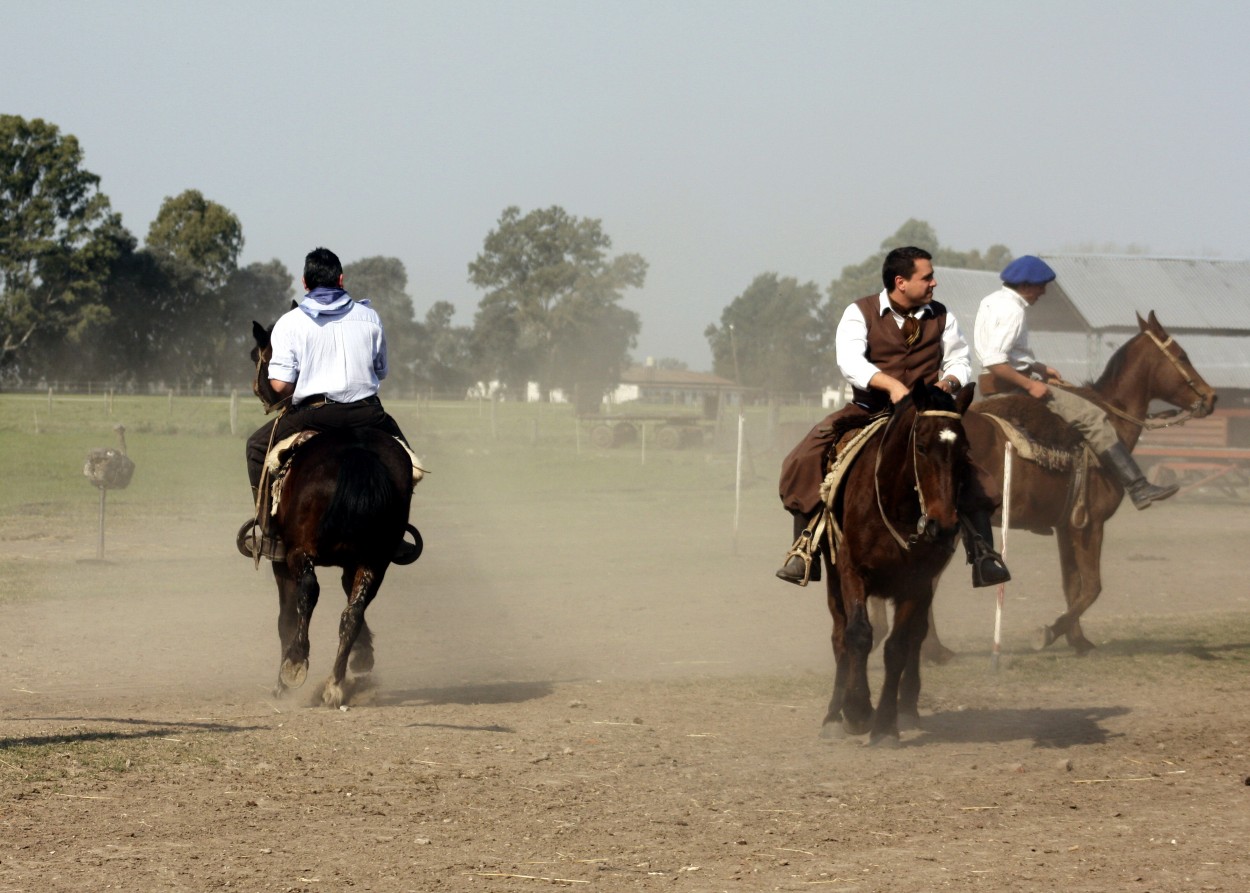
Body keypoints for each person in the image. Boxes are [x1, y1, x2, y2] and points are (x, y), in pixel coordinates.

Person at [777, 246, 1010, 588]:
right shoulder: (860, 312)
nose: (934, 283)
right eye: (927, 277)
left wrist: (946, 384)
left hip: (926, 415)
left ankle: (983, 552)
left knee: (964, 467)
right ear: (901, 282)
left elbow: (960, 359)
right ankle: (805, 548)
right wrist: (892, 387)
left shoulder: (942, 316)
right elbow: (851, 362)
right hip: (869, 411)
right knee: (805, 458)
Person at [239, 247, 414, 561]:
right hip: (368, 414)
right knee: (406, 460)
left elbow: (279, 385)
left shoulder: (290, 324)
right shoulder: (370, 316)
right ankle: (395, 532)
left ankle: (268, 531)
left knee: (255, 448)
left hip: (314, 417)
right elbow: (381, 370)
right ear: (342, 279)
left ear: (305, 283)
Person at [973, 254, 1178, 509]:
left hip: (996, 383)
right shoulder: (1013, 310)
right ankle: (1138, 487)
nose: (1043, 292)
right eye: (1040, 286)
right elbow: (995, 360)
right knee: (1093, 416)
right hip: (1013, 386)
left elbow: (1002, 355)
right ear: (1025, 286)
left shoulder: (991, 301)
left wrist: (1039, 367)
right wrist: (1030, 384)